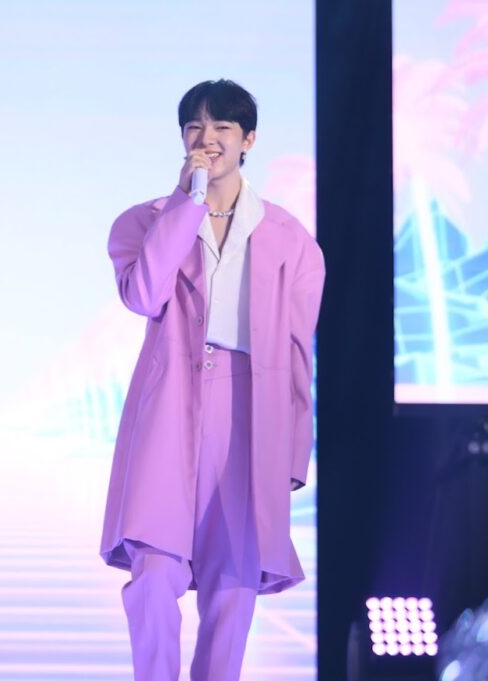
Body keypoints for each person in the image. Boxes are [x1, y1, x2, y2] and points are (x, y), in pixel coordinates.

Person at [99, 79, 325, 681]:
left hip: (250, 407)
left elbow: (299, 353)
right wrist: (187, 202)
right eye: (196, 127)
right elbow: (144, 294)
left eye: (223, 127)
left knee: (233, 584)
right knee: (153, 573)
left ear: (248, 139)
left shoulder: (291, 240)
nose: (208, 138)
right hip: (171, 403)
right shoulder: (144, 222)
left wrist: (293, 454)